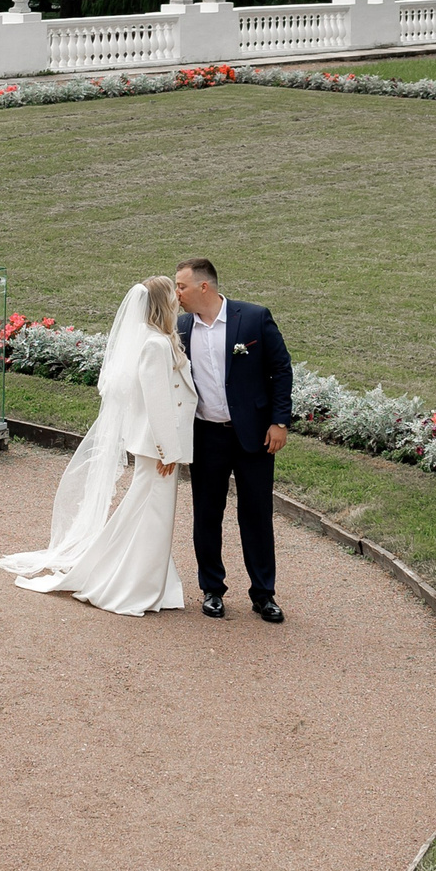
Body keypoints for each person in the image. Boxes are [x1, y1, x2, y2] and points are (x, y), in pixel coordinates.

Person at [0, 276, 196, 615]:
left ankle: (146, 582)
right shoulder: (155, 345)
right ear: (163, 303)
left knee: (146, 513)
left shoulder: (157, 339)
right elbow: (157, 401)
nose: (178, 298)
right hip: (158, 448)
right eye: (173, 293)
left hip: (158, 447)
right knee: (152, 515)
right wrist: (169, 450)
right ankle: (130, 585)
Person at [174, 256, 293, 624]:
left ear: (203, 286)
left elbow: (280, 369)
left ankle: (264, 595)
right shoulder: (179, 328)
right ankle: (212, 590)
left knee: (256, 515)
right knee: (207, 515)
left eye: (182, 286)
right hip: (205, 435)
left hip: (254, 436)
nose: (176, 293)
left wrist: (279, 422)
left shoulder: (254, 317)